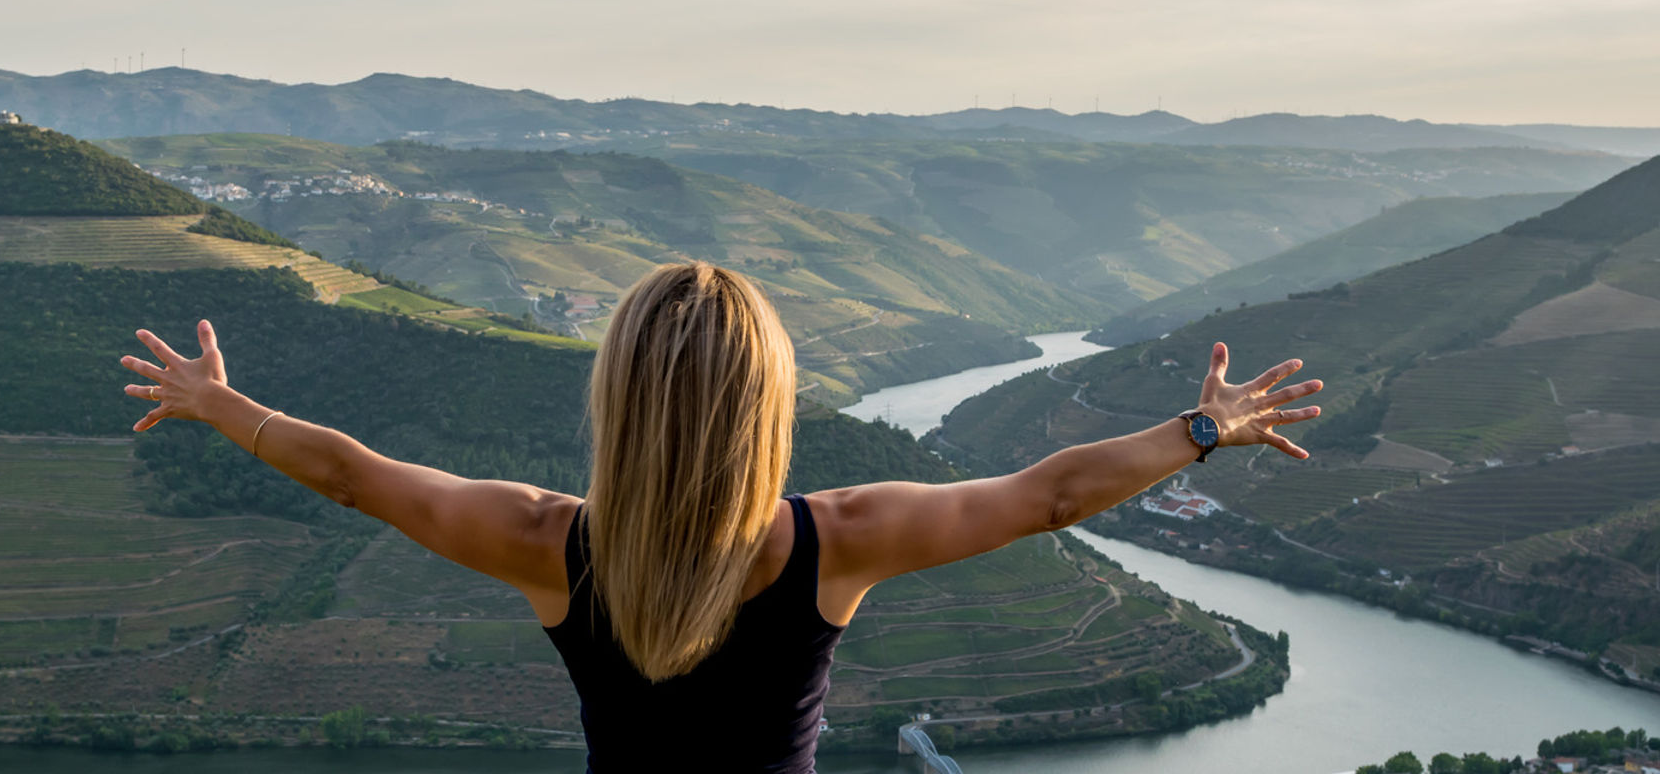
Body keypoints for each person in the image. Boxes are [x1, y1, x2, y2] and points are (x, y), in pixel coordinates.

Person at [121, 262, 1321, 772]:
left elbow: (354, 476)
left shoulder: (548, 543)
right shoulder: (835, 539)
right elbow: (1048, 498)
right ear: (768, 404)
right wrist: (1201, 431)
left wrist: (226, 408)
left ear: (619, 399)